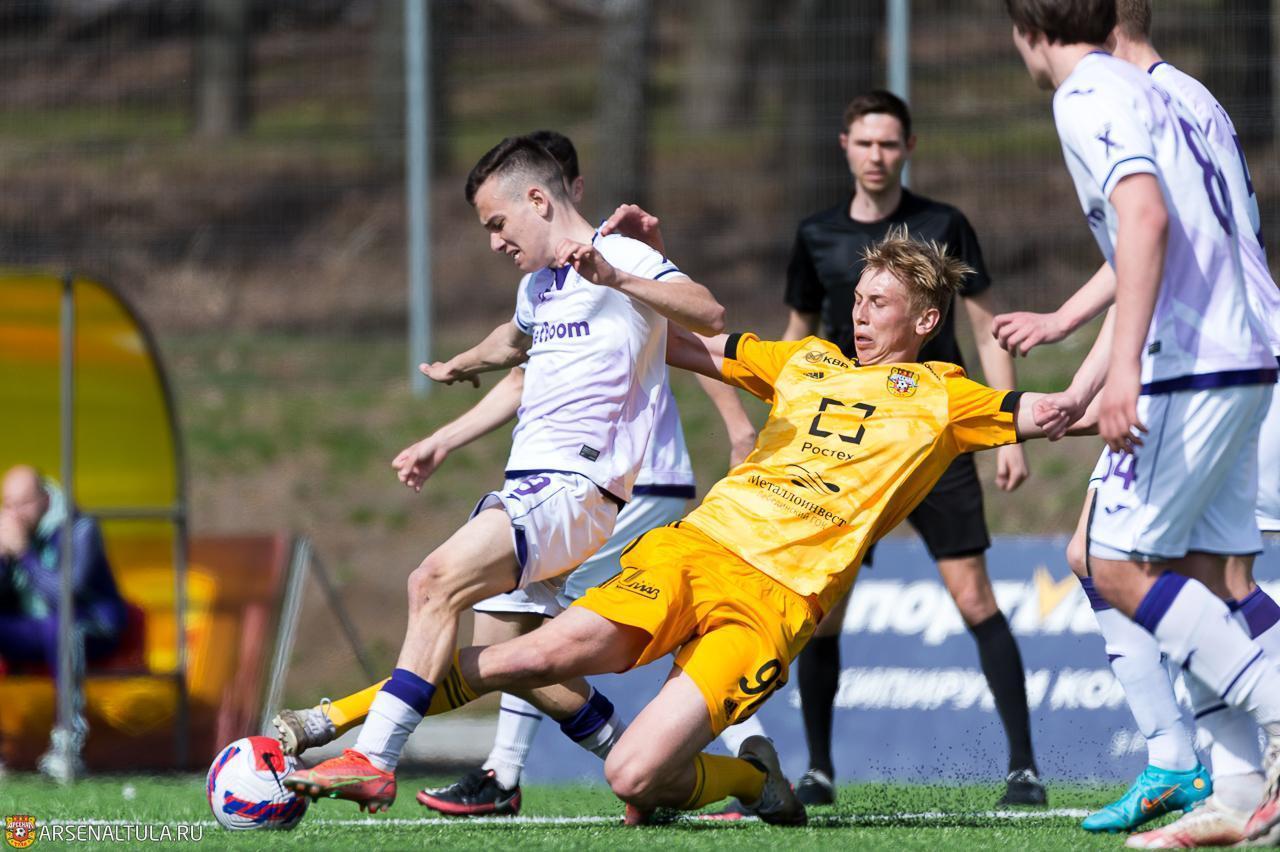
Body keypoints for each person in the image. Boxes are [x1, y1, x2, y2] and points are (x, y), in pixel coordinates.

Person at [285, 228, 1092, 824]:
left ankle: (752, 779)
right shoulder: (806, 361)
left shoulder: (947, 397)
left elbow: (1056, 412)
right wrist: (626, 272)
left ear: (924, 319)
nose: (859, 313)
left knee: (634, 778)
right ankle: (333, 724)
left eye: (878, 303)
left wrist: (1118, 394)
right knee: (528, 655)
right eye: (856, 298)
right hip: (696, 551)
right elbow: (673, 339)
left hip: (774, 604)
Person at [272, 130, 759, 818]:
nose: (495, 241)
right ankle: (675, 776)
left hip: (572, 487)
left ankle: (372, 759)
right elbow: (513, 341)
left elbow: (708, 312)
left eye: (497, 223)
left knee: (432, 582)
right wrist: (460, 366)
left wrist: (617, 277)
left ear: (538, 199)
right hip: (539, 487)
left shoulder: (621, 255)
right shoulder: (538, 286)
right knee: (512, 661)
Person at [993, 1, 1280, 842]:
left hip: (1193, 359)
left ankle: (1259, 717)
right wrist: (1074, 337)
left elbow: (1148, 222)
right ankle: (1238, 792)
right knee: (1206, 575)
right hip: (1239, 350)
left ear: (1028, 30)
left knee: (1112, 564)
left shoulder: (1091, 93)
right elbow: (1163, 231)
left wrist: (1121, 372)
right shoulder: (1167, 93)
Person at [781, 88, 1042, 806]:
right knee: (826, 607)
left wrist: (1009, 435)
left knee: (973, 595)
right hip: (849, 448)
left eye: (889, 143)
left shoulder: (943, 224)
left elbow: (986, 327)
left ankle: (1024, 769)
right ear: (845, 146)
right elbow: (796, 338)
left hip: (934, 438)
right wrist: (775, 434)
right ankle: (818, 770)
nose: (877, 155)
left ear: (908, 148)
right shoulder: (816, 234)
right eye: (865, 142)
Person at [0, 464, 127, 781]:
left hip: (92, 628)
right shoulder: (11, 534)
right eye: (7, 504)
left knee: (61, 626)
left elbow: (67, 594)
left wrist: (24, 554)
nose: (14, 514)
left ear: (44, 498)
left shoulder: (80, 528)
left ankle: (67, 745)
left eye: (22, 504)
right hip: (37, 631)